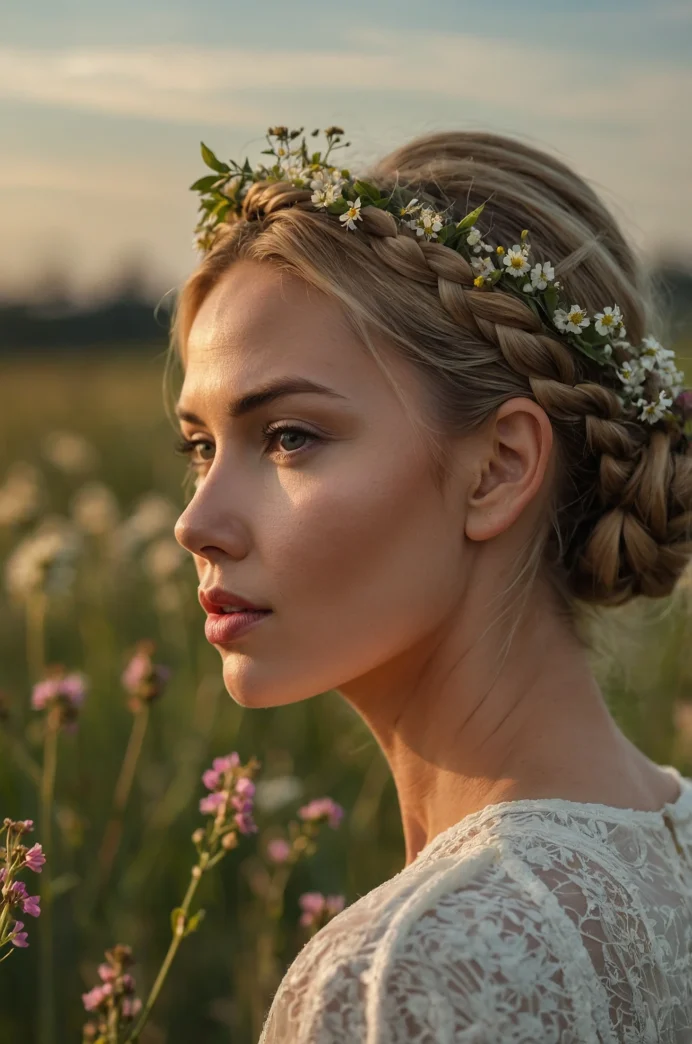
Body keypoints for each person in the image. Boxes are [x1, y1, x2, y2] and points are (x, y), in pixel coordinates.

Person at [170, 126, 692, 1042]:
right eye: (200, 447)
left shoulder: (406, 973)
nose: (195, 523)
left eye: (289, 436)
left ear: (498, 467)